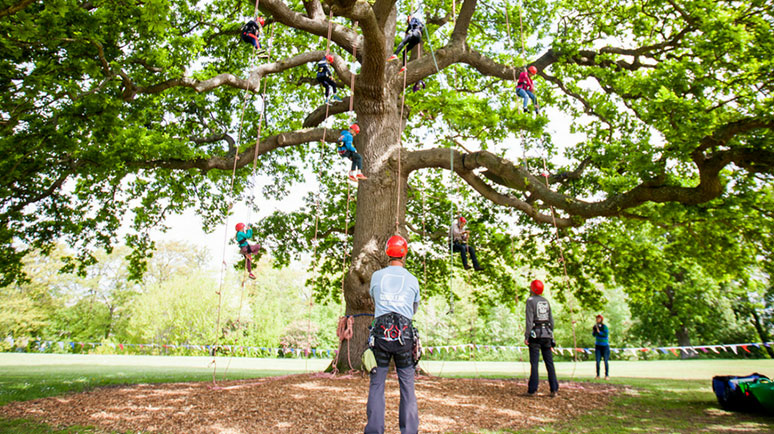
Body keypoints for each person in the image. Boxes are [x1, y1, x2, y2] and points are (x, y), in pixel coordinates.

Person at [365, 235, 420, 434]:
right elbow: (414, 307)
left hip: (381, 332)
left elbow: (374, 297)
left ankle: (374, 430)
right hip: (404, 335)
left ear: (387, 253)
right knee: (407, 384)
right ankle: (409, 430)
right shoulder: (412, 279)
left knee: (377, 383)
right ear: (404, 254)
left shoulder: (377, 277)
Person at [524, 279, 559, 396]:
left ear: (532, 289)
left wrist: (527, 336)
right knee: (549, 362)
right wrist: (551, 334)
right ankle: (554, 388)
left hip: (536, 334)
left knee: (534, 363)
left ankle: (532, 389)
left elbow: (529, 320)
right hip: (547, 334)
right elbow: (551, 320)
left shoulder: (530, 301)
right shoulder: (546, 301)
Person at [593, 314, 610, 380]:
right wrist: (594, 331)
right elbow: (594, 335)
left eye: (599, 318)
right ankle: (598, 375)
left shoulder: (604, 327)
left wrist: (599, 332)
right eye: (597, 318)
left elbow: (605, 334)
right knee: (597, 361)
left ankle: (607, 375)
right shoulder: (595, 326)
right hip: (598, 346)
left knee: (605, 361)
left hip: (605, 346)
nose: (597, 320)